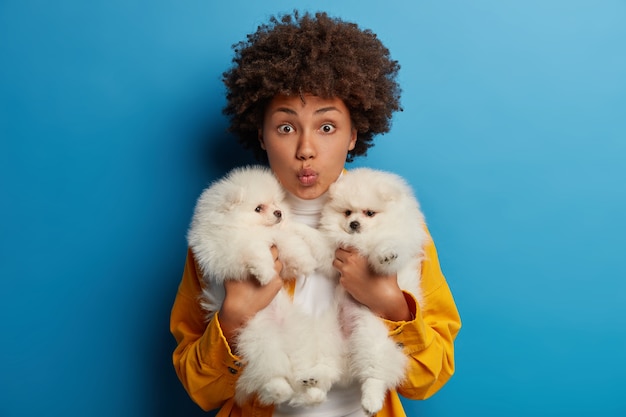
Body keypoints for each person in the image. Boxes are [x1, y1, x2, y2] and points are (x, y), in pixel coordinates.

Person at [170, 11, 461, 417]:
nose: (306, 148)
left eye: (326, 127)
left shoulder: (395, 222)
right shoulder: (225, 227)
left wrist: (392, 303)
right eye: (286, 128)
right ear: (261, 134)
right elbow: (201, 390)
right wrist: (233, 316)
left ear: (354, 134)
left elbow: (429, 379)